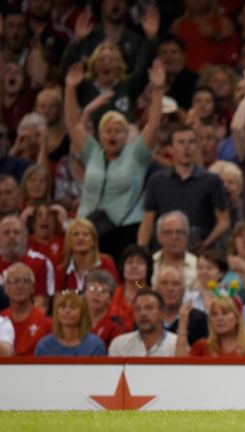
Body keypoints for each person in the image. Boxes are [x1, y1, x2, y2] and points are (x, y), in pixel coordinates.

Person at [64, 58, 164, 261]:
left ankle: (139, 292)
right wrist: (70, 89)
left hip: (126, 231)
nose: (113, 135)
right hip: (88, 230)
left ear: (126, 135)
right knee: (87, 279)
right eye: (108, 131)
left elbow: (153, 125)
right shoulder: (92, 152)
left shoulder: (137, 154)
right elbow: (72, 124)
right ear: (100, 135)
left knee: (132, 278)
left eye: (119, 131)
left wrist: (158, 89)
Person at [178, 297, 245, 357]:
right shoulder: (202, 347)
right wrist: (182, 324)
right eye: (214, 314)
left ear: (238, 318)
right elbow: (180, 369)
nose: (219, 318)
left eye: (225, 313)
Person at [0, 263, 52, 356]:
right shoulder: (1, 320)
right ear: (5, 288)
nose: (20, 286)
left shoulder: (46, 322)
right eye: (13, 281)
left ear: (33, 288)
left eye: (25, 281)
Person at [108, 289, 178, 357]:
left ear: (162, 312)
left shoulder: (176, 344)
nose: (142, 314)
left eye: (149, 308)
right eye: (137, 309)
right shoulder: (119, 344)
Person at [34, 291, 105, 356]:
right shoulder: (44, 346)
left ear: (82, 314)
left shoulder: (95, 346)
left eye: (73, 307)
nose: (67, 311)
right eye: (63, 307)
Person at [84, 269, 131, 348]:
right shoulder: (75, 320)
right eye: (92, 289)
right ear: (85, 293)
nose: (97, 294)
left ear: (110, 298)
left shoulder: (117, 326)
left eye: (103, 291)